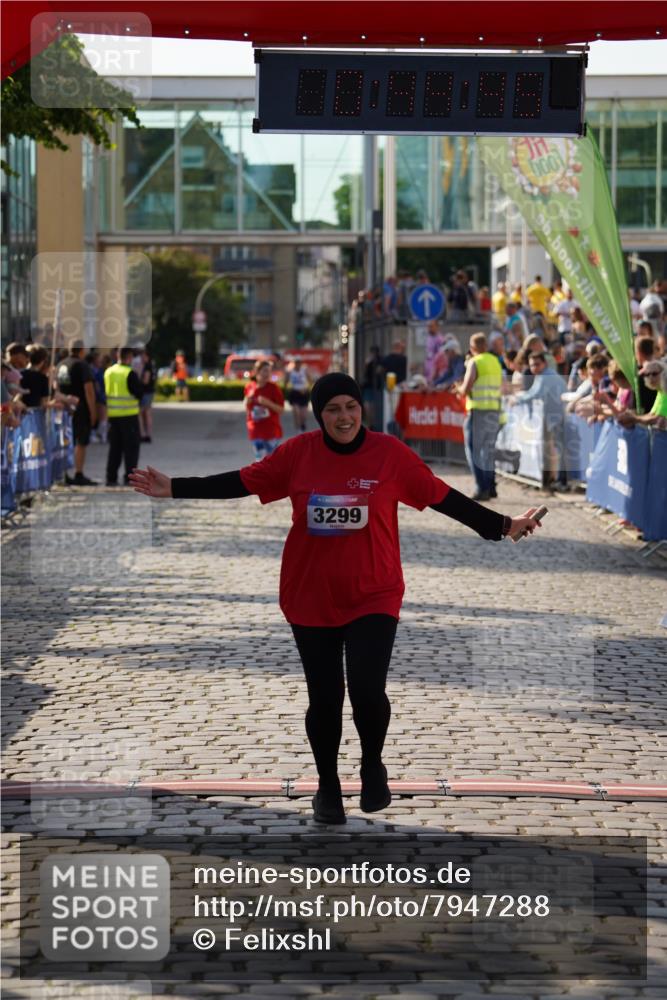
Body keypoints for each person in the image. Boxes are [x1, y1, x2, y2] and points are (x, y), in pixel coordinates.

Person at [129, 372, 542, 825]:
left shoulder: (389, 454)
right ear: (318, 415)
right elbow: (243, 481)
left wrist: (504, 525)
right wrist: (176, 487)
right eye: (332, 409)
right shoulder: (298, 453)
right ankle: (327, 785)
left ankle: (371, 764)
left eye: (350, 406)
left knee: (367, 691)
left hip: (374, 592)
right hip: (311, 594)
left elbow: (443, 497)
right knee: (324, 698)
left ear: (360, 408)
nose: (343, 417)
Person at [457, 332, 503, 501]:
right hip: (494, 411)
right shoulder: (496, 361)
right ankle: (491, 487)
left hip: (478, 411)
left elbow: (467, 388)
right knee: (488, 451)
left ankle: (481, 488)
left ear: (472, 348)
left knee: (473, 451)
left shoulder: (474, 362)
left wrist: (458, 389)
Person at [514, 352, 567, 488]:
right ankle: (557, 479)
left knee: (559, 449)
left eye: (537, 364)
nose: (534, 367)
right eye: (532, 365)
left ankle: (561, 481)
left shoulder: (545, 376)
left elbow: (535, 393)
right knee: (557, 449)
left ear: (544, 363)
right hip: (555, 415)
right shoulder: (545, 375)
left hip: (556, 416)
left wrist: (517, 399)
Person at [57, 341, 97, 486]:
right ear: (81, 350)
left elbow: (55, 386)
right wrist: (93, 411)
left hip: (63, 408)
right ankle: (78, 473)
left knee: (66, 441)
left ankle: (65, 473)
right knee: (81, 441)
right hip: (80, 408)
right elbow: (89, 390)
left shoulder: (61, 364)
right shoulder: (82, 365)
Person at [104, 346, 145, 486]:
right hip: (129, 416)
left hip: (113, 416)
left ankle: (111, 477)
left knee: (114, 448)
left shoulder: (108, 372)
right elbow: (139, 393)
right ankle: (130, 477)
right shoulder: (129, 373)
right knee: (131, 449)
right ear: (128, 357)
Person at [244, 359, 284, 460]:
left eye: (270, 371)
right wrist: (247, 401)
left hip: (271, 431)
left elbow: (281, 410)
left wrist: (268, 403)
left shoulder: (274, 388)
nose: (268, 374)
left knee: (270, 462)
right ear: (257, 371)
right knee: (259, 462)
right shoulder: (249, 386)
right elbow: (246, 407)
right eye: (265, 370)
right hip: (255, 430)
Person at [285, 358, 310, 434]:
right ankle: (298, 430)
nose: (297, 364)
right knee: (296, 412)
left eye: (299, 362)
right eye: (296, 362)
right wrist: (289, 388)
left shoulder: (304, 371)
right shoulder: (290, 372)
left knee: (303, 415)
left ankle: (302, 425)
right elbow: (286, 382)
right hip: (295, 393)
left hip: (303, 393)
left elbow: (310, 380)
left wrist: (306, 388)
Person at [139, 348, 156, 443]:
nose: (141, 358)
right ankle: (147, 434)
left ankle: (143, 434)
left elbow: (145, 380)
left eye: (143, 356)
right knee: (147, 413)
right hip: (150, 391)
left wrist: (137, 381)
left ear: (147, 357)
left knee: (142, 413)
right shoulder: (152, 365)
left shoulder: (147, 366)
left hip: (146, 392)